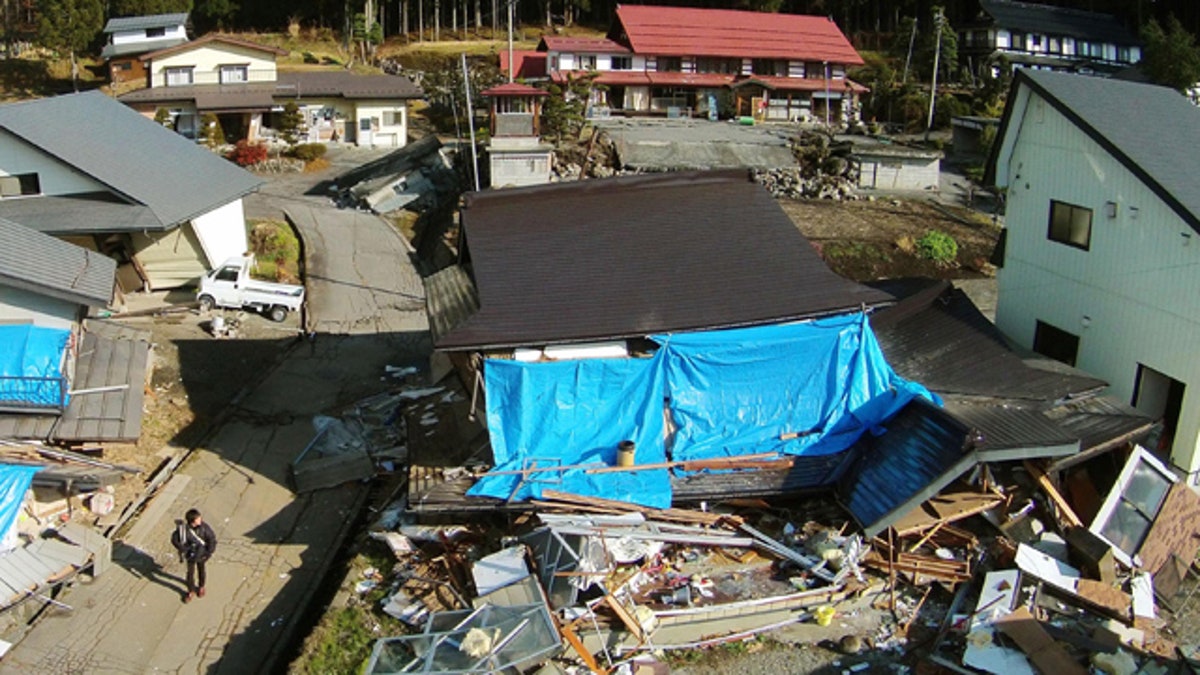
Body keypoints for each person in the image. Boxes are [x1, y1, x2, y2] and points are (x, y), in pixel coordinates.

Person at [171, 508, 217, 603]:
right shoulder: (183, 531)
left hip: (202, 554)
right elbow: (174, 539)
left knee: (201, 571)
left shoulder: (204, 528)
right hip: (190, 555)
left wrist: (208, 553)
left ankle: (201, 586)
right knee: (190, 574)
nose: (200, 519)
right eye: (198, 518)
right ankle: (190, 590)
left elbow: (212, 540)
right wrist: (183, 549)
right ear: (193, 521)